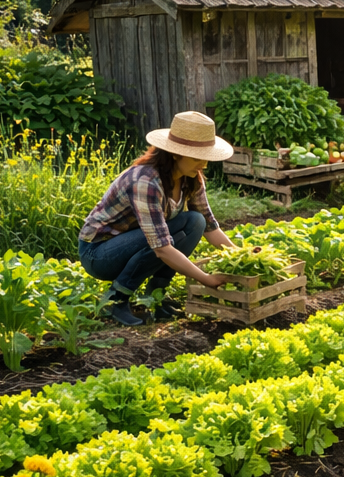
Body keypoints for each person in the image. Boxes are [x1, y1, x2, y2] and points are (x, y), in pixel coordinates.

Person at [78, 110, 237, 326]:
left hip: (134, 242)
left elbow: (209, 226)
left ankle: (157, 296)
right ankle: (115, 300)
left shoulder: (192, 178)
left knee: (195, 222)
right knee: (160, 241)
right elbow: (161, 247)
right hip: (99, 253)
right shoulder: (145, 181)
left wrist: (242, 258)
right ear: (175, 153)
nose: (204, 165)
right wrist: (207, 280)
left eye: (206, 158)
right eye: (197, 158)